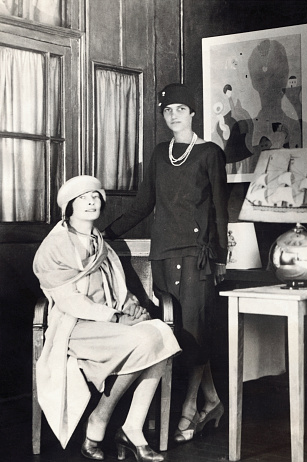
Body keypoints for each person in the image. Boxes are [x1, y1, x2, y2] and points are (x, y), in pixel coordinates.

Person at [103, 83, 229, 444]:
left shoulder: (209, 154)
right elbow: (143, 205)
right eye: (168, 111)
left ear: (192, 113)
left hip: (196, 257)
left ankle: (190, 409)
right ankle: (213, 401)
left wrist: (220, 258)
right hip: (162, 255)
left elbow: (221, 210)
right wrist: (106, 233)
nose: (173, 116)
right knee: (176, 335)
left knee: (195, 334)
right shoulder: (160, 153)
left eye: (180, 110)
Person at [33, 175, 181, 462]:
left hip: (108, 322)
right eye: (82, 198)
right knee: (143, 339)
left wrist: (133, 308)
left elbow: (117, 287)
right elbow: (70, 302)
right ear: (69, 207)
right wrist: (116, 318)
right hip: (75, 327)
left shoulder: (101, 242)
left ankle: (132, 428)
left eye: (95, 196)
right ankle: (98, 421)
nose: (91, 202)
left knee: (162, 334)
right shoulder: (54, 246)